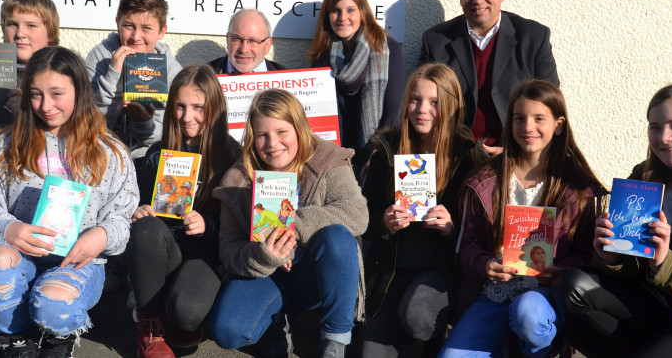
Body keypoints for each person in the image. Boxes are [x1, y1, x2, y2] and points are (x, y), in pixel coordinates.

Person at [0, 46, 137, 357]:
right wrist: (8, 229)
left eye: (57, 93)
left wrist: (102, 236)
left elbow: (121, 219)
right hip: (19, 257)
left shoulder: (110, 152)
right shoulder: (7, 144)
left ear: (80, 92)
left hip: (77, 264)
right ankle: (12, 338)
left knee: (53, 302)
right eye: (35, 94)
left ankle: (59, 338)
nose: (45, 106)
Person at [555, 84, 672, 358]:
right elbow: (632, 269)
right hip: (651, 309)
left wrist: (666, 264)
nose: (664, 137)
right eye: (655, 127)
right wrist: (611, 257)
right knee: (570, 286)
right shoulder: (643, 179)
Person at [439, 79, 606, 358]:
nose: (528, 127)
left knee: (528, 315)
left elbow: (588, 255)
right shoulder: (486, 180)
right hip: (495, 292)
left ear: (559, 124)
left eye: (539, 118)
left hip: (544, 296)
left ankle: (542, 351)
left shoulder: (577, 188)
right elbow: (466, 246)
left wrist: (559, 269)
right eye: (519, 118)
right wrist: (486, 265)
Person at [207, 89, 368, 358]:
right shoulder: (236, 181)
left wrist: (291, 227)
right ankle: (273, 333)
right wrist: (264, 254)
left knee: (338, 237)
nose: (272, 143)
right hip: (268, 274)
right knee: (227, 330)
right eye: (262, 135)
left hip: (313, 275)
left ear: (299, 129)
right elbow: (229, 250)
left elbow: (355, 214)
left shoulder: (328, 158)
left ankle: (334, 344)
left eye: (282, 132)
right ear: (251, 137)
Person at [355, 63, 485, 357]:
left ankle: (428, 341)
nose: (421, 109)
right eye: (415, 99)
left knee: (418, 320)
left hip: (439, 274)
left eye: (434, 102)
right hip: (389, 274)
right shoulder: (387, 150)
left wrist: (452, 229)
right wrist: (384, 224)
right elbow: (365, 219)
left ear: (451, 106)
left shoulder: (467, 156)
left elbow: (482, 233)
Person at [0, 0, 60, 351]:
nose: (19, 33)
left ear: (50, 34)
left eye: (31, 25)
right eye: (11, 24)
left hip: (45, 177)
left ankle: (42, 300)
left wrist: (30, 116)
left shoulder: (59, 75)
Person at [128, 65, 241, 357]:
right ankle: (150, 323)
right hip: (163, 251)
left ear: (215, 109)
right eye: (179, 106)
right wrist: (139, 212)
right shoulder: (155, 154)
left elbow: (242, 224)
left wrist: (209, 225)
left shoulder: (233, 156)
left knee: (187, 313)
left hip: (204, 254)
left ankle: (179, 310)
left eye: (198, 107)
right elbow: (135, 208)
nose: (187, 117)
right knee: (147, 229)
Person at [419, 0, 559, 153]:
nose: (477, 0)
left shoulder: (533, 37)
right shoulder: (435, 41)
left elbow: (550, 103)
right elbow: (421, 102)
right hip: (454, 155)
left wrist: (515, 151)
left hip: (515, 153)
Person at [307, 0, 405, 172]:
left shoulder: (386, 48)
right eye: (336, 10)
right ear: (328, 15)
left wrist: (376, 154)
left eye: (350, 10)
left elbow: (394, 111)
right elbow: (316, 114)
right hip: (332, 157)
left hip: (374, 153)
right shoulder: (323, 54)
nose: (343, 17)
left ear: (362, 12)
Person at [85, 0, 184, 159]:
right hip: (101, 153)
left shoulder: (170, 68)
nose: (136, 37)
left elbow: (169, 133)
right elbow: (87, 122)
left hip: (146, 157)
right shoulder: (100, 57)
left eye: (146, 28)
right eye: (129, 26)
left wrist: (144, 123)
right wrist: (113, 74)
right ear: (118, 23)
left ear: (162, 31)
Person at [208, 9, 289, 74]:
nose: (244, 49)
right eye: (237, 39)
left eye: (253, 41)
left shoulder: (287, 81)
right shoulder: (204, 78)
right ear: (227, 40)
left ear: (267, 45)